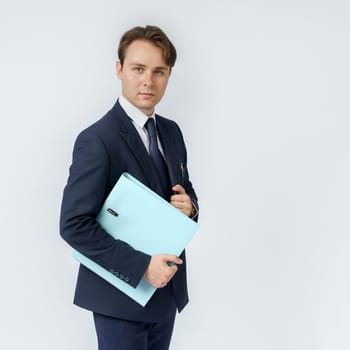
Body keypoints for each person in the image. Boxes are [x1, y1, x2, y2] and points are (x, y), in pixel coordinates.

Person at [60, 25, 199, 350]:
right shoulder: (97, 140)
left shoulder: (172, 132)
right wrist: (141, 268)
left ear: (168, 75)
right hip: (119, 297)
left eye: (159, 71)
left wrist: (189, 206)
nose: (148, 81)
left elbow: (188, 191)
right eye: (138, 69)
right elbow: (73, 226)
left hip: (166, 294)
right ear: (120, 69)